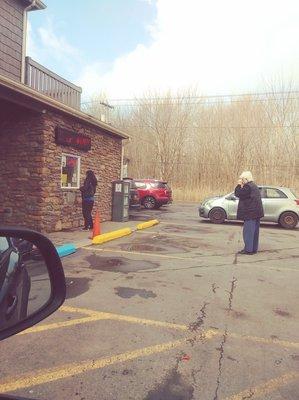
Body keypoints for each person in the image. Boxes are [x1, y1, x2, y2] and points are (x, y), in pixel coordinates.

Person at [234, 171, 264, 255]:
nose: (241, 180)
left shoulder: (248, 187)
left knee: (248, 232)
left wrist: (239, 184)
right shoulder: (254, 186)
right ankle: (253, 249)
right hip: (256, 213)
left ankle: (248, 250)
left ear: (245, 179)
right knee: (254, 232)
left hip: (250, 213)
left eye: (242, 179)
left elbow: (237, 193)